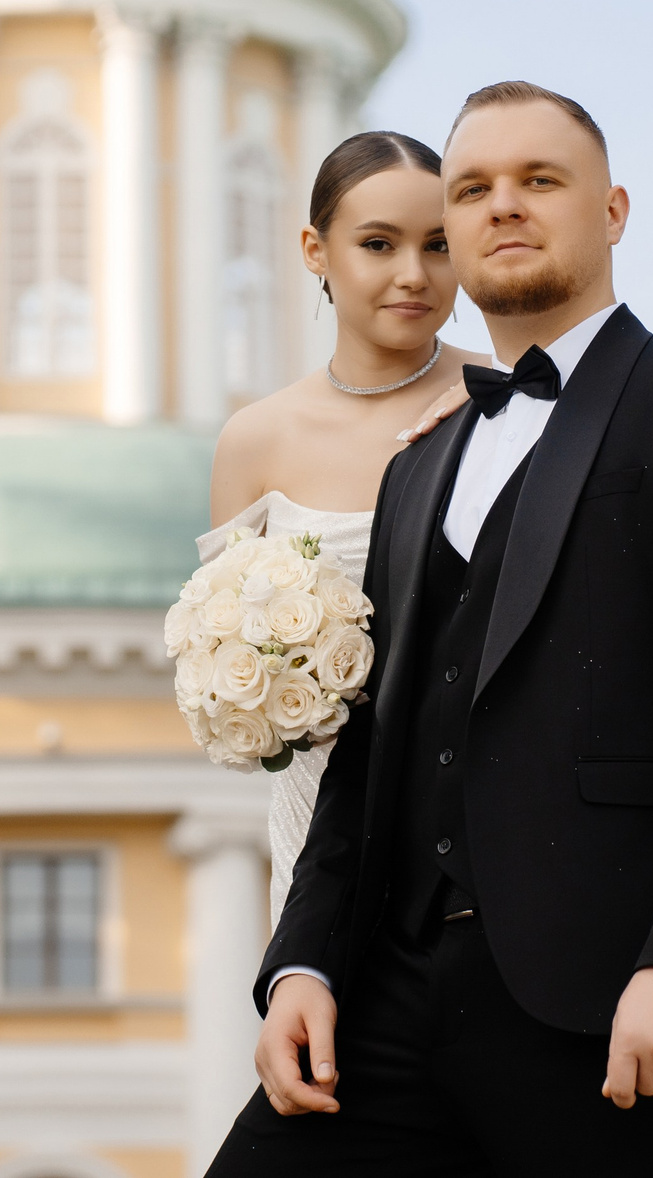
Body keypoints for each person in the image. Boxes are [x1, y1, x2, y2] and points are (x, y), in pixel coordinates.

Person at [208, 82, 653, 1177]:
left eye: (540, 179)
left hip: (608, 1003)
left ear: (613, 210)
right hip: (386, 1000)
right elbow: (373, 746)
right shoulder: (418, 463)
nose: (503, 205)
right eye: (473, 188)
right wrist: (301, 963)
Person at [206, 130, 486, 919]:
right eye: (378, 244)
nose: (414, 274)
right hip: (318, 836)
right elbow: (226, 649)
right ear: (315, 251)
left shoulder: (508, 402)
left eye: (438, 245)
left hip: (480, 840)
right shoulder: (255, 441)